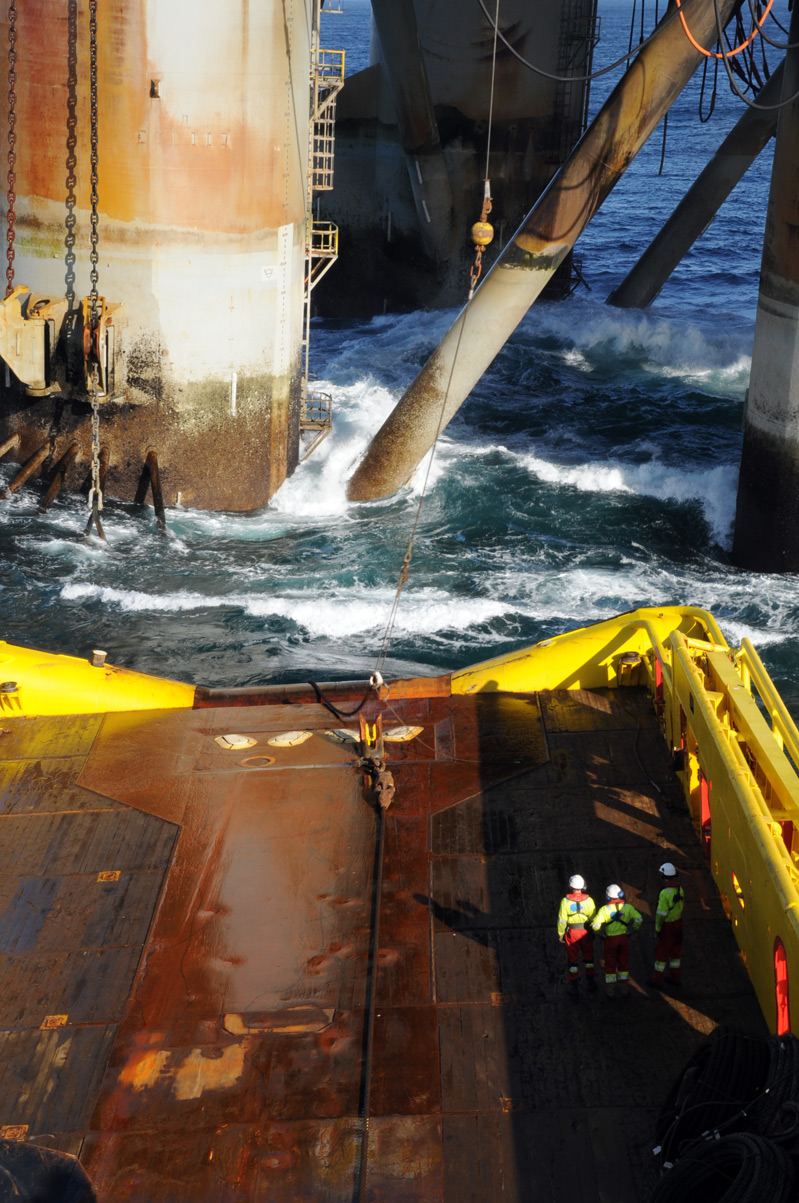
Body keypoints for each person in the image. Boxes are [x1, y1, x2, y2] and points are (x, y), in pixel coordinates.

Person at [590, 884, 642, 997]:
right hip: (624, 939)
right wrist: (633, 929)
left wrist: (599, 933)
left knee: (610, 964)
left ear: (608, 897)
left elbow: (595, 925)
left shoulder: (604, 910)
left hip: (610, 940)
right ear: (620, 895)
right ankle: (624, 989)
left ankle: (611, 990)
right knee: (623, 963)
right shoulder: (628, 907)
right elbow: (639, 918)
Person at [557, 874, 597, 996]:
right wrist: (593, 932)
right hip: (585, 933)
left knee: (572, 959)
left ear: (571, 886)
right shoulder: (589, 901)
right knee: (589, 958)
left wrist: (561, 933)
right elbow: (594, 918)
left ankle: (574, 987)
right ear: (583, 887)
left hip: (572, 933)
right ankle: (591, 983)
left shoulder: (565, 901)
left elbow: (562, 920)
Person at [650, 861, 683, 989]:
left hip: (668, 926)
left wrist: (658, 929)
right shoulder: (681, 890)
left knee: (661, 953)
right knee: (675, 952)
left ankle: (657, 980)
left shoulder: (664, 893)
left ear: (664, 876)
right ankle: (675, 978)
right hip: (679, 923)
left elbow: (660, 914)